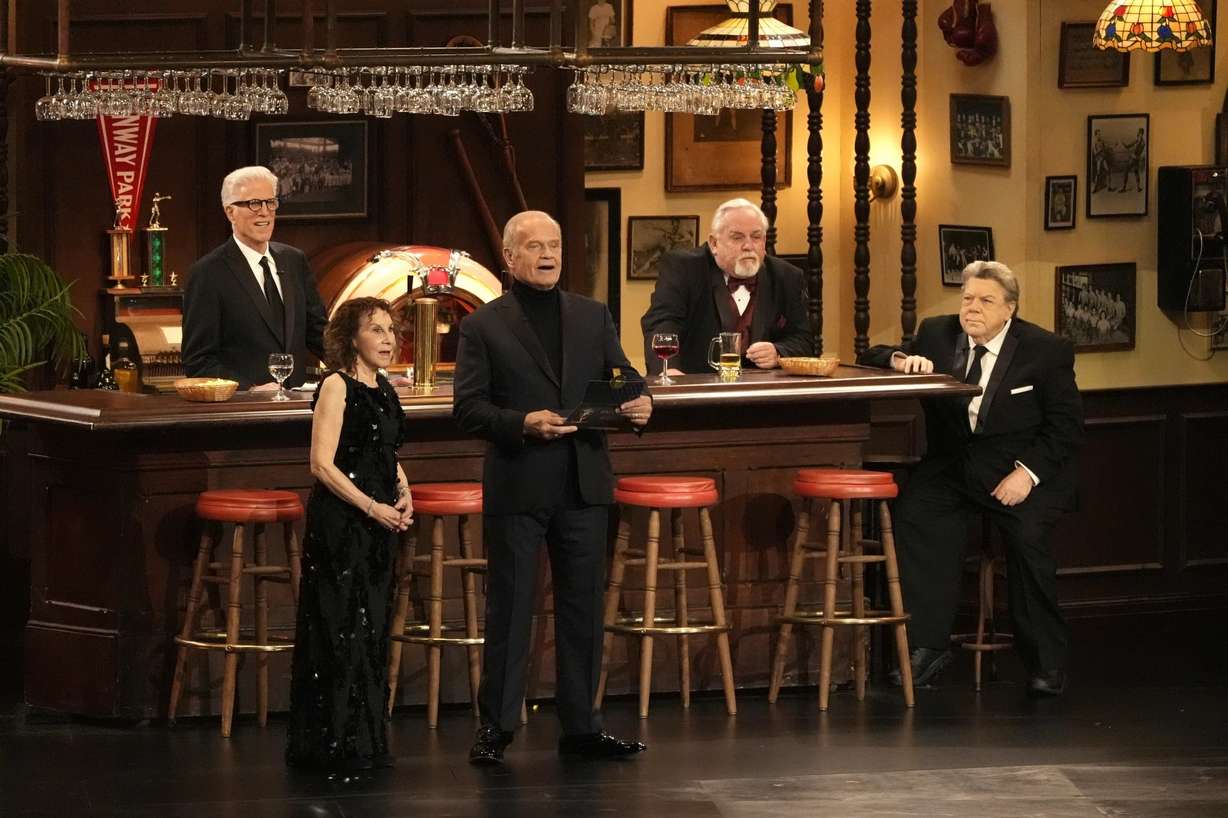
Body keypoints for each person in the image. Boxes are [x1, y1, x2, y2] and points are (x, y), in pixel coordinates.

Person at [453, 210, 653, 765]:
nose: (547, 255)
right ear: (509, 259)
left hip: (584, 482)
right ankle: (495, 729)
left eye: (556, 245)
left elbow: (622, 379)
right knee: (511, 611)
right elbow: (468, 409)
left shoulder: (593, 315)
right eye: (534, 246)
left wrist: (642, 403)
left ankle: (582, 726)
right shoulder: (484, 325)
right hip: (520, 482)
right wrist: (522, 424)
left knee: (584, 610)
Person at [857, 261, 1084, 698]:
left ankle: (1046, 661)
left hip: (1019, 468)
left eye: (986, 301)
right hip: (955, 467)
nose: (972, 308)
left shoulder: (1045, 350)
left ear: (1009, 310)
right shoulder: (936, 334)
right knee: (914, 514)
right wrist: (903, 360)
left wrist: (1027, 475)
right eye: (967, 299)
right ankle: (926, 646)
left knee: (1028, 540)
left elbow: (1066, 426)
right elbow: (872, 354)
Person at [286, 296, 413, 772]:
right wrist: (370, 506)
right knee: (339, 628)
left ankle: (364, 740)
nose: (387, 339)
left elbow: (383, 451)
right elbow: (321, 463)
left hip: (380, 521)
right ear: (351, 339)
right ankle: (329, 743)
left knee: (372, 628)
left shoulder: (385, 388)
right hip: (343, 522)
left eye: (390, 331)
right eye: (376, 330)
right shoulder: (335, 386)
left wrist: (404, 490)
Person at [183, 166, 328, 389]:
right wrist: (250, 389)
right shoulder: (207, 273)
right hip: (244, 413)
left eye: (271, 202)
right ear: (230, 212)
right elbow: (198, 362)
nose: (265, 212)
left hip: (297, 410)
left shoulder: (294, 261)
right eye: (254, 203)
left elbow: (319, 334)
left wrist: (365, 371)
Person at [640, 198, 812, 375]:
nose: (748, 246)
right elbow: (662, 324)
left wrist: (778, 352)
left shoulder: (787, 276)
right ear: (714, 243)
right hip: (698, 385)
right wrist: (668, 370)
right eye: (737, 238)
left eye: (756, 237)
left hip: (764, 392)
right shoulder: (684, 268)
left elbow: (804, 340)